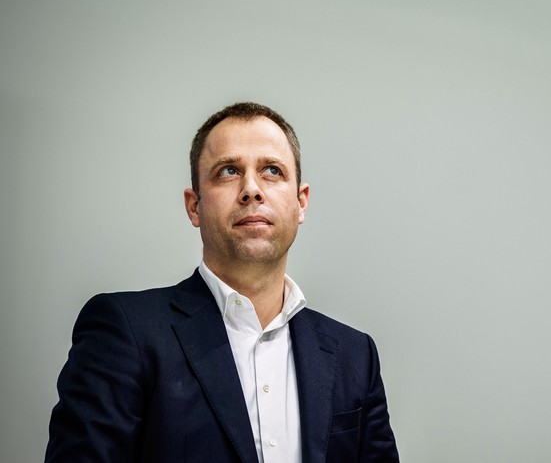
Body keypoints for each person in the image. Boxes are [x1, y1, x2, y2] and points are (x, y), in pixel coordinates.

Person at [46, 102, 399, 463]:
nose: (251, 190)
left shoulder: (355, 356)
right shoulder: (125, 332)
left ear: (301, 202)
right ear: (194, 206)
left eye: (272, 171)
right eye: (229, 171)